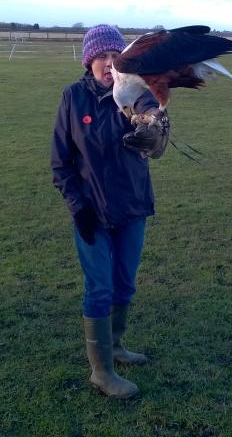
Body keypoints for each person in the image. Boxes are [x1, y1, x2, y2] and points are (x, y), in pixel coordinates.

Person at [51, 24, 169, 399]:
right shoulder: (73, 98)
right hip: (92, 213)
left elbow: (159, 141)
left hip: (132, 206)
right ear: (89, 61)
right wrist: (77, 207)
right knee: (99, 289)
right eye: (101, 57)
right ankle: (101, 372)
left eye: (115, 57)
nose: (108, 64)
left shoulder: (135, 92)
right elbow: (60, 163)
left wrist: (156, 132)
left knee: (125, 284)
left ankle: (116, 346)